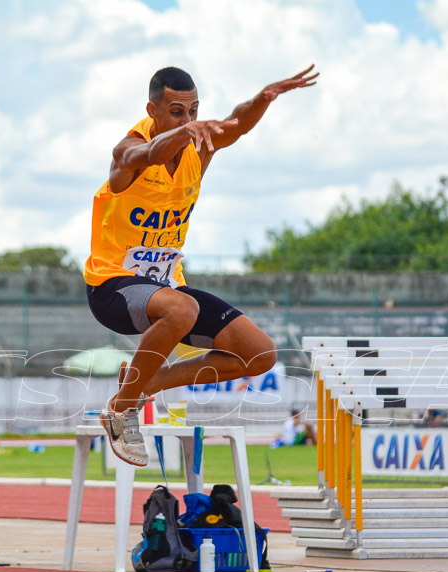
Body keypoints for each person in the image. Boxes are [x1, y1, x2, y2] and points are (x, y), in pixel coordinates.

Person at [84, 65, 318, 466]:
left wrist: (263, 97)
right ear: (152, 110)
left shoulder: (198, 146)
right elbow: (147, 153)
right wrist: (181, 134)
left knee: (259, 354)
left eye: (194, 112)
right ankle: (121, 411)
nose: (189, 121)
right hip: (111, 288)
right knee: (183, 307)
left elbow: (236, 125)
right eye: (177, 112)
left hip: (164, 290)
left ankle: (147, 381)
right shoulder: (127, 153)